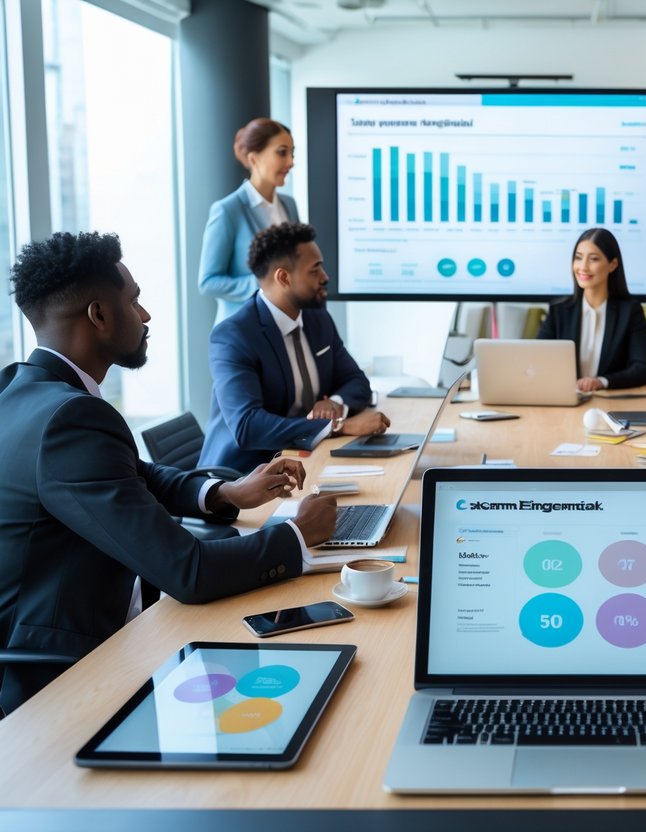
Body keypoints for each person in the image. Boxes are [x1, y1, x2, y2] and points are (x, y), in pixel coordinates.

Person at [0, 231, 336, 716]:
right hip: (69, 676)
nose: (146, 315)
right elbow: (189, 571)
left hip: (104, 629)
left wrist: (226, 492)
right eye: (134, 301)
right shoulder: (69, 420)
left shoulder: (22, 390)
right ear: (98, 314)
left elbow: (137, 474)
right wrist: (297, 536)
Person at [199, 222, 389, 474]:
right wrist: (337, 425)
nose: (325, 276)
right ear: (283, 277)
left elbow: (356, 381)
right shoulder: (233, 336)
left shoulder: (317, 319)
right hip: (246, 475)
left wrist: (334, 403)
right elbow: (248, 426)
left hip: (307, 460)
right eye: (315, 270)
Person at [199, 117, 300, 324]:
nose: (290, 162)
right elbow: (208, 282)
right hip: (244, 332)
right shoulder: (227, 210)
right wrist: (264, 283)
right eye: (282, 152)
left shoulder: (289, 205)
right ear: (254, 158)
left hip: (284, 327)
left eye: (292, 153)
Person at [536, 227, 646, 392]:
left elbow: (643, 370)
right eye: (578, 258)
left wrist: (601, 382)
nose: (583, 267)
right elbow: (535, 360)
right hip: (565, 401)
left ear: (612, 264)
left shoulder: (630, 312)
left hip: (611, 403)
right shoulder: (558, 311)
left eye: (594, 259)